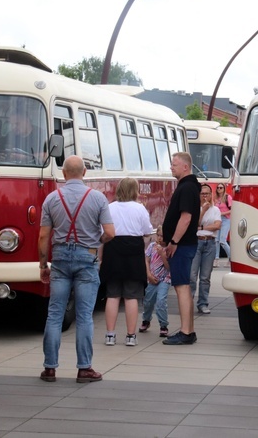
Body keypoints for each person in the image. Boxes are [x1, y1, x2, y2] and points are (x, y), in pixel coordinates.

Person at [38, 155, 115, 383]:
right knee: (84, 317)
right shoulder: (98, 198)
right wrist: (95, 241)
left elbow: (43, 235)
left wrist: (43, 265)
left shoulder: (51, 199)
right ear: (84, 173)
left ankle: (50, 368)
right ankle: (84, 368)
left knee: (54, 315)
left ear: (63, 174)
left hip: (60, 258)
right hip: (87, 258)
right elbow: (110, 232)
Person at [101, 177, 153, 347]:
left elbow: (104, 232)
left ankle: (110, 335)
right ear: (134, 190)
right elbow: (147, 231)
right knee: (132, 296)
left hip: (113, 250)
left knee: (113, 294)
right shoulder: (140, 208)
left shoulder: (110, 207)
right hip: (133, 252)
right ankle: (130, 336)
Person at [161, 152, 201, 345]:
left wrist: (174, 241)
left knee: (182, 287)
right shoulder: (190, 186)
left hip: (182, 246)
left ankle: (185, 332)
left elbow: (186, 218)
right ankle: (189, 330)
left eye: (174, 164)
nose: (171, 167)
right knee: (183, 287)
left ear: (185, 167)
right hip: (185, 244)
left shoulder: (186, 188)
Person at [190, 183, 221, 314]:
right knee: (191, 275)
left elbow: (217, 225)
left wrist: (202, 228)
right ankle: (188, 302)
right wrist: (202, 211)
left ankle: (203, 303)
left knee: (205, 277)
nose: (205, 196)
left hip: (210, 243)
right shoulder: (194, 208)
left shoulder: (216, 210)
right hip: (196, 242)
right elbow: (194, 224)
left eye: (207, 194)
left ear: (211, 195)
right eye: (202, 194)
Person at [139, 226, 171, 337]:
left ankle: (163, 324)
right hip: (152, 277)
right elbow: (146, 260)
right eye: (158, 235)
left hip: (165, 279)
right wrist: (148, 273)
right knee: (148, 301)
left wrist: (163, 255)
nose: (160, 238)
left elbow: (169, 267)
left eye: (163, 236)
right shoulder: (152, 246)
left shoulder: (169, 249)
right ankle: (146, 319)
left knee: (161, 301)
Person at [214, 183, 232, 263]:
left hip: (226, 219)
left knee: (222, 241)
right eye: (218, 188)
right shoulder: (215, 198)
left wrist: (222, 213)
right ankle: (216, 259)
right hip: (217, 219)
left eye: (221, 188)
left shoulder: (228, 197)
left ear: (224, 189)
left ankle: (231, 257)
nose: (219, 189)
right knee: (216, 240)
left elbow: (232, 209)